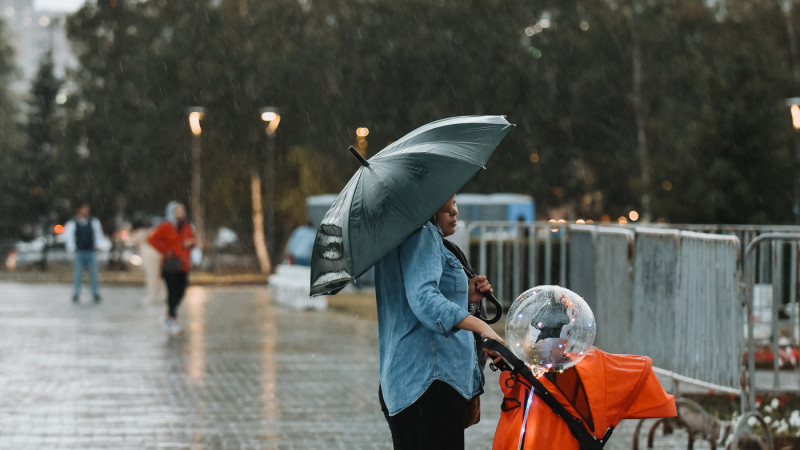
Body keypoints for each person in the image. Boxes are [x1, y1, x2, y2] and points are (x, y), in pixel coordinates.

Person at [375, 195, 503, 450]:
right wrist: (482, 327)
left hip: (407, 382)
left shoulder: (398, 239)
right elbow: (424, 300)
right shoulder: (423, 234)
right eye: (447, 203)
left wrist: (464, 294)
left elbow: (409, 300)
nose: (454, 211)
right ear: (428, 205)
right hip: (431, 382)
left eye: (455, 203)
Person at [148, 201, 195, 335]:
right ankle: (172, 318)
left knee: (182, 290)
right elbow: (152, 239)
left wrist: (190, 243)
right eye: (178, 211)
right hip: (171, 265)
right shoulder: (166, 226)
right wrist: (165, 249)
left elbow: (193, 240)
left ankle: (170, 314)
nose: (181, 213)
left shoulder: (186, 227)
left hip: (184, 265)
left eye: (183, 211)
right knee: (172, 291)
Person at [64, 203, 103, 303]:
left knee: (93, 274)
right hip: (79, 252)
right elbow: (69, 237)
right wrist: (72, 248)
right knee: (77, 274)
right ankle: (76, 293)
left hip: (90, 251)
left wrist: (97, 246)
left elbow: (98, 235)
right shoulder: (73, 223)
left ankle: (95, 293)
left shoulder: (94, 222)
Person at [127, 219, 166, 305]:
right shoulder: (150, 230)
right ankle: (164, 296)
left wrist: (129, 233)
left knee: (151, 277)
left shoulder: (141, 232)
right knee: (159, 277)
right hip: (157, 254)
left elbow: (129, 241)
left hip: (149, 256)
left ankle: (151, 297)